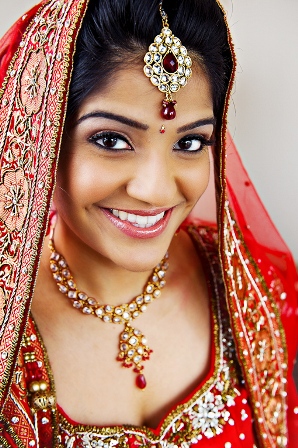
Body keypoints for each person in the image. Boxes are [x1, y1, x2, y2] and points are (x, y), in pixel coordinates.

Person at [0, 0, 297, 446]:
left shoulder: (256, 290)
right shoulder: (9, 327)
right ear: (40, 138)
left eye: (191, 142)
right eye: (111, 140)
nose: (155, 190)